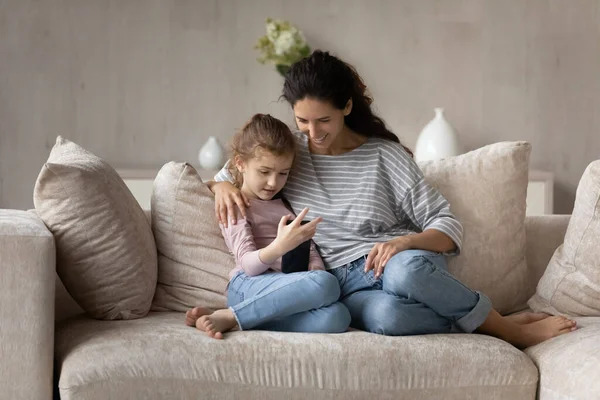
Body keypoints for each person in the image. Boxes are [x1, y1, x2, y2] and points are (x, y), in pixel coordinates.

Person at [206, 50, 576, 348]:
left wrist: (403, 242)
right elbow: (241, 168)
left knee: (408, 269)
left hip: (395, 265)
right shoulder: (290, 151)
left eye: (324, 120)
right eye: (303, 120)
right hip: (338, 282)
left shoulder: (386, 156)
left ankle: (503, 328)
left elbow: (447, 226)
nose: (312, 133)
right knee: (389, 320)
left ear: (347, 107)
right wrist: (221, 185)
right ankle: (488, 319)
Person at [185, 113, 351, 339]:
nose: (274, 182)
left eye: (283, 173)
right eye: (264, 172)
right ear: (241, 164)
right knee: (326, 285)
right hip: (248, 284)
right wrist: (281, 246)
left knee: (338, 316)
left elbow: (309, 251)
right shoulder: (237, 204)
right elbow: (248, 264)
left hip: (282, 287)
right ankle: (233, 316)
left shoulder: (284, 205)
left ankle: (240, 316)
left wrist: (313, 275)